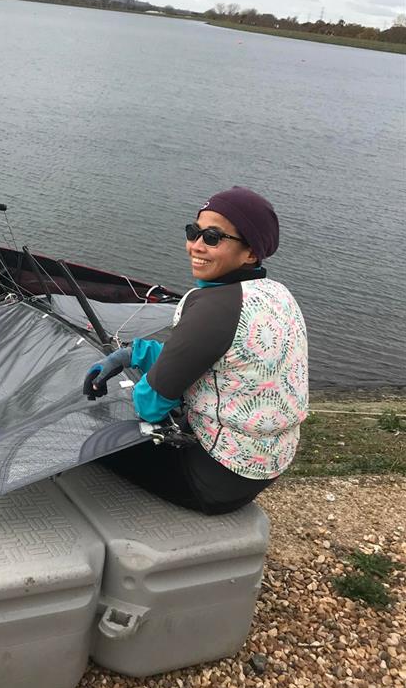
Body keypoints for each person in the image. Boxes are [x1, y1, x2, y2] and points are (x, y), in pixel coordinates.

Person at [83, 186, 308, 514]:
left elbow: (150, 404)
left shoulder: (212, 307)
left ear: (250, 253)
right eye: (194, 232)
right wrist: (133, 355)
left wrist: (142, 393)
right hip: (266, 464)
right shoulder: (276, 294)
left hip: (212, 481)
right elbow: (212, 356)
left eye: (213, 237)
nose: (196, 246)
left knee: (92, 436)